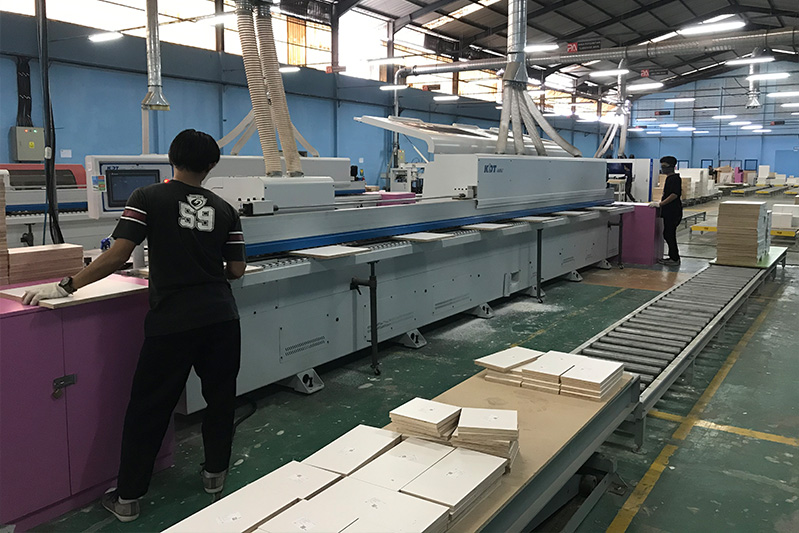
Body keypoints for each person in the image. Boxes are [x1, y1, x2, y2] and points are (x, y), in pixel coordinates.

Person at [22, 129, 247, 522]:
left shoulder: (147, 197)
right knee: (220, 399)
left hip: (172, 322)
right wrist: (206, 272)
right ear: (212, 165)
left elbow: (118, 254)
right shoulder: (226, 209)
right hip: (221, 319)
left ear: (171, 159)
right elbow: (237, 269)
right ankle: (215, 475)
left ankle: (128, 498)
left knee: (150, 407)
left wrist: (65, 286)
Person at [650, 155, 683, 266]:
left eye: (665, 166)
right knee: (668, 234)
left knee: (669, 234)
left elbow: (674, 194)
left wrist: (660, 204)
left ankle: (675, 258)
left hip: (673, 212)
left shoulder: (674, 179)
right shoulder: (669, 178)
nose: (663, 168)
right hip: (669, 211)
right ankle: (672, 257)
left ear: (672, 166)